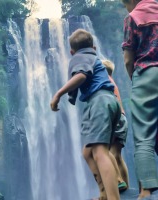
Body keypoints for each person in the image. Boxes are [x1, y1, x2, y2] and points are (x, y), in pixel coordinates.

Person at [50, 29, 121, 200]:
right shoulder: (94, 57)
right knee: (88, 153)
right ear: (94, 47)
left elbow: (81, 76)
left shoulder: (80, 57)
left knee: (99, 152)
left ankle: (113, 197)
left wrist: (58, 94)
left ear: (71, 52)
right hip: (110, 102)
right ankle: (104, 192)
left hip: (98, 102)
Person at [121, 0, 158, 199]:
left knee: (144, 137)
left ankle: (146, 191)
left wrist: (135, 79)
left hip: (146, 74)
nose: (127, 9)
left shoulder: (133, 17)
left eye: (126, 4)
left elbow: (128, 59)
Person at [102, 59, 129, 187]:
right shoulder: (112, 82)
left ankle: (118, 183)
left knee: (110, 155)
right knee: (117, 156)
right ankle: (126, 186)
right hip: (121, 119)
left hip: (116, 120)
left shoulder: (106, 81)